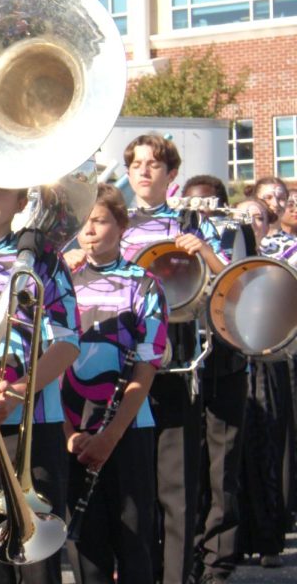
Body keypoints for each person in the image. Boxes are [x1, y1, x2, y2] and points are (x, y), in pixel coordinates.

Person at [117, 134, 223, 584]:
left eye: (154, 165)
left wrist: (205, 253)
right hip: (121, 364)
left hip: (176, 361)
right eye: (136, 164)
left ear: (171, 174)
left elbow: (227, 283)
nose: (143, 171)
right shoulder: (112, 222)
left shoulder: (191, 220)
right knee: (130, 489)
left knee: (176, 489)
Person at [0, 178, 79, 584]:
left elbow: (67, 344)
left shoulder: (45, 261)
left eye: (0, 188)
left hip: (33, 423)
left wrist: (14, 392)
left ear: (21, 200)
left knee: (37, 562)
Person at [62, 184, 167, 584]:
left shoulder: (143, 284)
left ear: (121, 226)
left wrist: (111, 436)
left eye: (100, 221)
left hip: (127, 429)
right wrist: (70, 434)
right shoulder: (62, 280)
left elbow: (146, 366)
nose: (89, 231)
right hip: (73, 428)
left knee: (134, 539)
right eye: (84, 222)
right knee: (86, 548)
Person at [181, 176, 249, 584]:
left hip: (225, 360)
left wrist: (206, 251)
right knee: (182, 467)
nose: (202, 205)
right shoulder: (175, 228)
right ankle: (181, 553)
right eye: (195, 199)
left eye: (210, 200)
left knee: (222, 468)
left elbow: (241, 285)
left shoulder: (234, 230)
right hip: (183, 358)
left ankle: (217, 563)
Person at [236, 184, 293, 571]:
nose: (250, 223)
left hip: (267, 362)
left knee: (268, 448)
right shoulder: (222, 258)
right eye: (242, 217)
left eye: (257, 217)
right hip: (227, 367)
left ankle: (270, 537)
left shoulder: (276, 260)